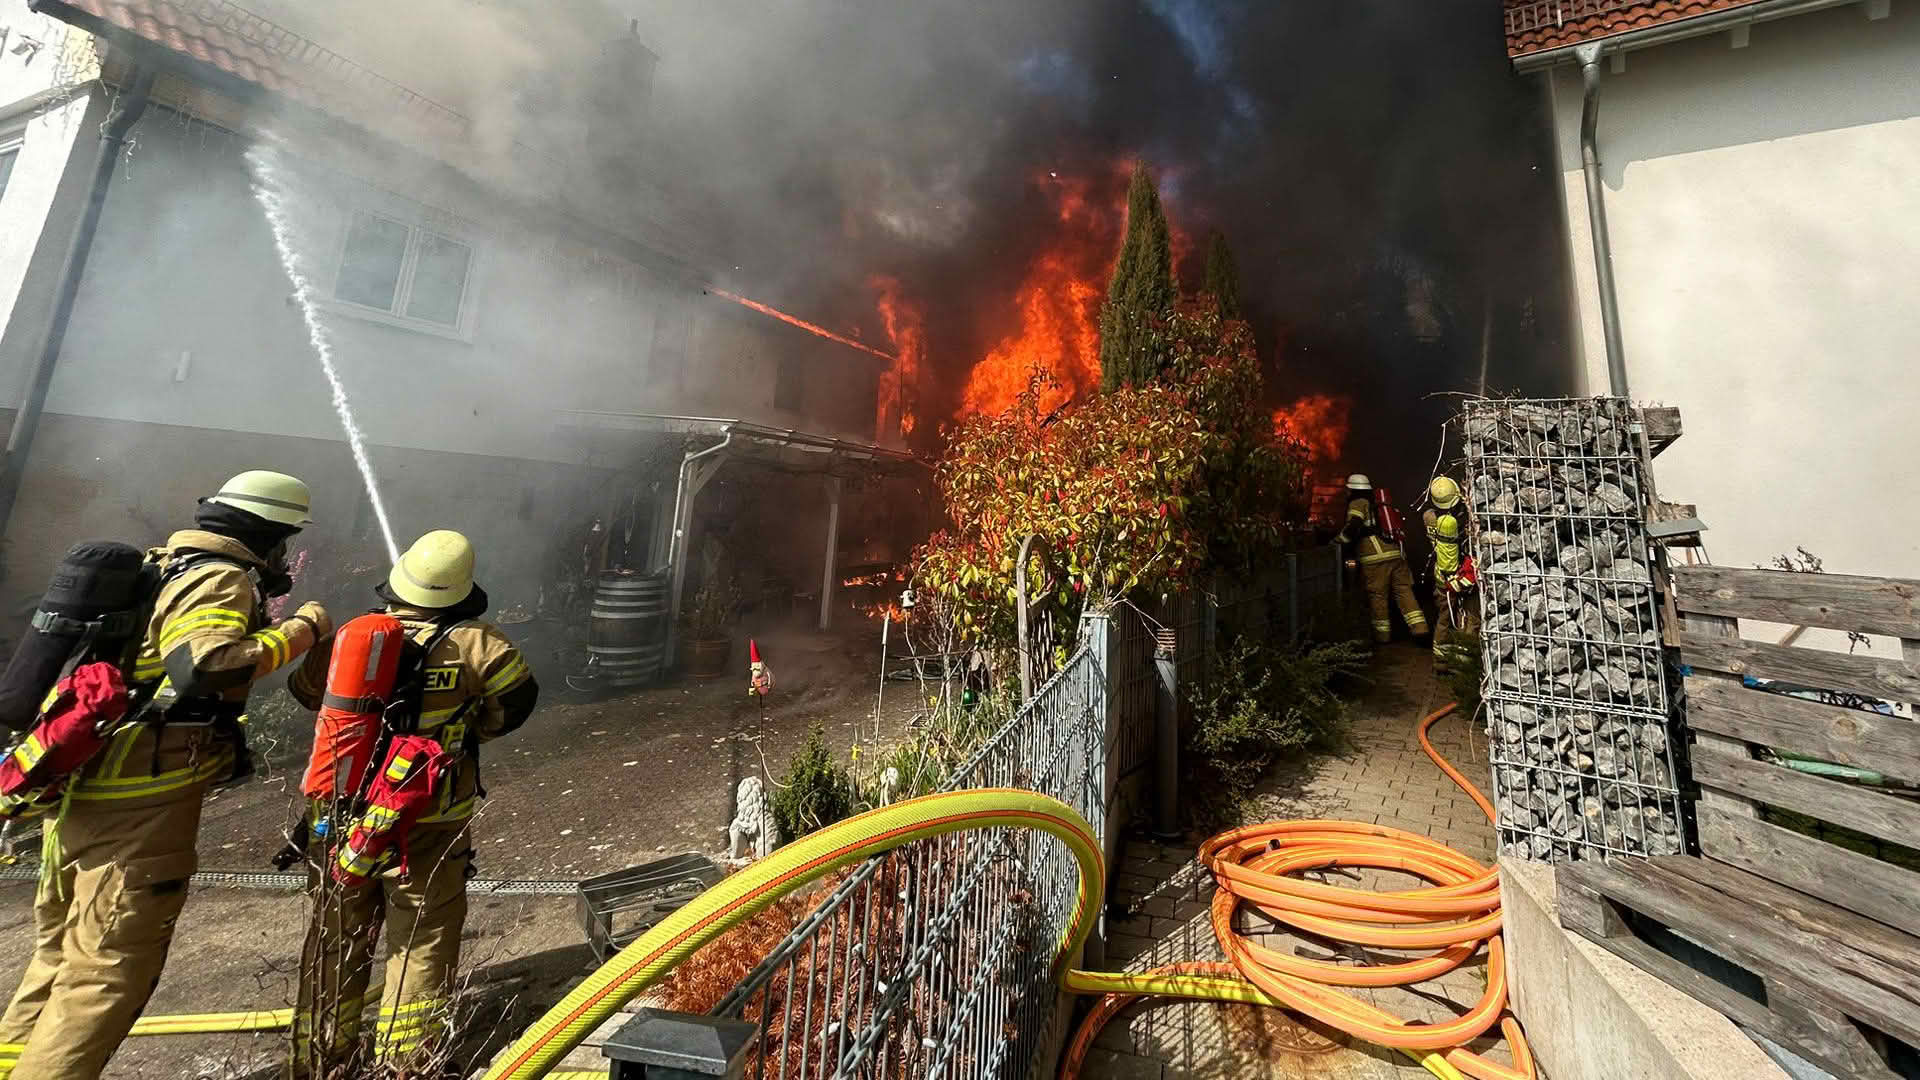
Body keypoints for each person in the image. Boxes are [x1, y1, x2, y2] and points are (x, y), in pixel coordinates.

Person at [0, 471, 330, 1080]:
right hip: (140, 802)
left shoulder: (162, 565)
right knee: (107, 971)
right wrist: (301, 631)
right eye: (284, 541)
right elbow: (203, 666)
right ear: (270, 536)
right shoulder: (217, 579)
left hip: (82, 789)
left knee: (56, 959)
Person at [286, 530, 536, 1075]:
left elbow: (306, 692)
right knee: (421, 934)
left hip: (339, 813)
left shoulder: (354, 636)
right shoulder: (478, 642)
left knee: (336, 930)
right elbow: (516, 705)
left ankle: (319, 1058)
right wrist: (462, 734)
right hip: (424, 815)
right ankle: (404, 1063)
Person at [1336, 473, 1428, 645]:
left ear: (1353, 490)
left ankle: (1382, 637)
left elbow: (1353, 525)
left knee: (1378, 596)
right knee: (1404, 592)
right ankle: (1421, 630)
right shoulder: (1378, 504)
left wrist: (1336, 542)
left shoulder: (1358, 503)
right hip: (1396, 554)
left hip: (1375, 558)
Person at [1423, 476, 1478, 674]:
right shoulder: (1459, 519)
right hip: (1462, 577)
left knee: (1444, 619)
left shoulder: (1429, 517)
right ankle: (1463, 665)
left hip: (1442, 579)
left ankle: (1440, 662)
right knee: (1471, 618)